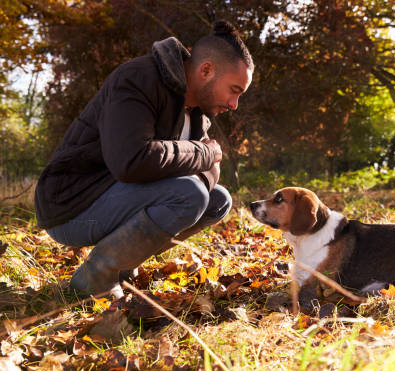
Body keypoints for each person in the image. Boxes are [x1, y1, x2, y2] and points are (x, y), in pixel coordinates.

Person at [34, 21, 254, 299]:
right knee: (191, 194)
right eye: (234, 90)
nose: (234, 104)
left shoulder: (198, 111)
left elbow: (212, 171)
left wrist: (199, 161)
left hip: (113, 200)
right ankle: (95, 278)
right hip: (71, 206)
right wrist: (204, 153)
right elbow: (131, 161)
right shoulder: (139, 79)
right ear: (206, 70)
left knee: (217, 200)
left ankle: (123, 265)